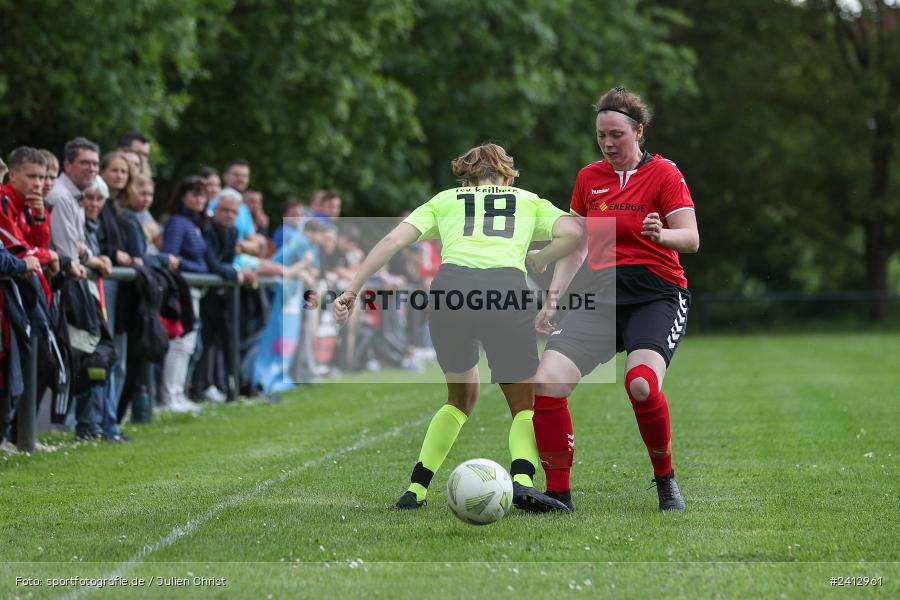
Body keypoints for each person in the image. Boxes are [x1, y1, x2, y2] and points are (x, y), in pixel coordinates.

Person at [333, 143, 582, 513]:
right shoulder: (527, 200)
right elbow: (575, 233)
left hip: (450, 291)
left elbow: (390, 241)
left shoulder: (445, 200)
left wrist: (352, 290)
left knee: (460, 399)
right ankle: (523, 482)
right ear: (507, 174)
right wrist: (541, 258)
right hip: (504, 290)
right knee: (524, 403)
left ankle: (416, 489)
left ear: (466, 173)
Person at [531, 86, 700, 512]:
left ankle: (666, 482)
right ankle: (558, 495)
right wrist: (553, 299)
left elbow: (692, 238)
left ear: (638, 131)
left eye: (616, 135)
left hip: (656, 295)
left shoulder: (664, 174)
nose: (608, 144)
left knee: (641, 385)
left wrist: (663, 236)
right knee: (546, 381)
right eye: (601, 136)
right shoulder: (589, 178)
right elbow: (576, 245)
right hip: (601, 297)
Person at [160, 176, 209, 413]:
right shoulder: (178, 222)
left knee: (187, 345)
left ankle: (178, 393)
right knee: (180, 343)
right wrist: (201, 269)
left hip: (194, 290)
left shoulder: (196, 225)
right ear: (183, 197)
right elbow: (172, 257)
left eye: (203, 195)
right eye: (195, 194)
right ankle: (170, 396)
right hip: (182, 289)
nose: (200, 199)